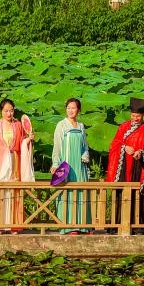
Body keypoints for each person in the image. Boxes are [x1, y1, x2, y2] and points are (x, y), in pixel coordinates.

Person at [106, 97, 144, 234]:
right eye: (133, 116)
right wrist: (124, 147)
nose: (135, 118)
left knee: (136, 195)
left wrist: (141, 152)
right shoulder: (123, 127)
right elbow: (114, 144)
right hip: (123, 167)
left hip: (137, 167)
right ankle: (117, 225)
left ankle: (137, 226)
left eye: (138, 116)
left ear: (143, 115)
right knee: (121, 193)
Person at [0, 98, 33, 233]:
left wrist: (28, 140)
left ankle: (13, 224)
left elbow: (22, 142)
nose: (9, 114)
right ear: (1, 111)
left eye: (11, 110)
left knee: (12, 191)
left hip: (13, 161)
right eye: (6, 111)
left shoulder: (18, 125)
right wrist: (2, 149)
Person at [51, 98, 91, 234]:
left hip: (79, 165)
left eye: (73, 108)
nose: (70, 110)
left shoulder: (81, 126)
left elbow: (85, 146)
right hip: (66, 164)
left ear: (78, 110)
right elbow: (57, 147)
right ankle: (68, 226)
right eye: (68, 108)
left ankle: (83, 225)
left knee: (81, 192)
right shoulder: (61, 125)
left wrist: (85, 155)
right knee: (67, 192)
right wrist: (55, 164)